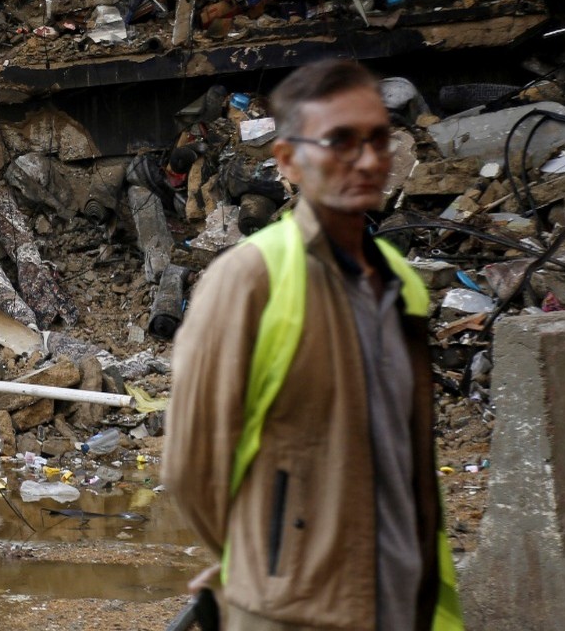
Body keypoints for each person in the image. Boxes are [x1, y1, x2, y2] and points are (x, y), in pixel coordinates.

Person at [163, 59, 462, 631]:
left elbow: (413, 463)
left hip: (401, 601)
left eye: (379, 139)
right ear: (289, 161)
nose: (369, 159)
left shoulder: (404, 287)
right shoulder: (249, 279)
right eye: (341, 141)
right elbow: (193, 465)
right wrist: (260, 564)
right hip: (292, 610)